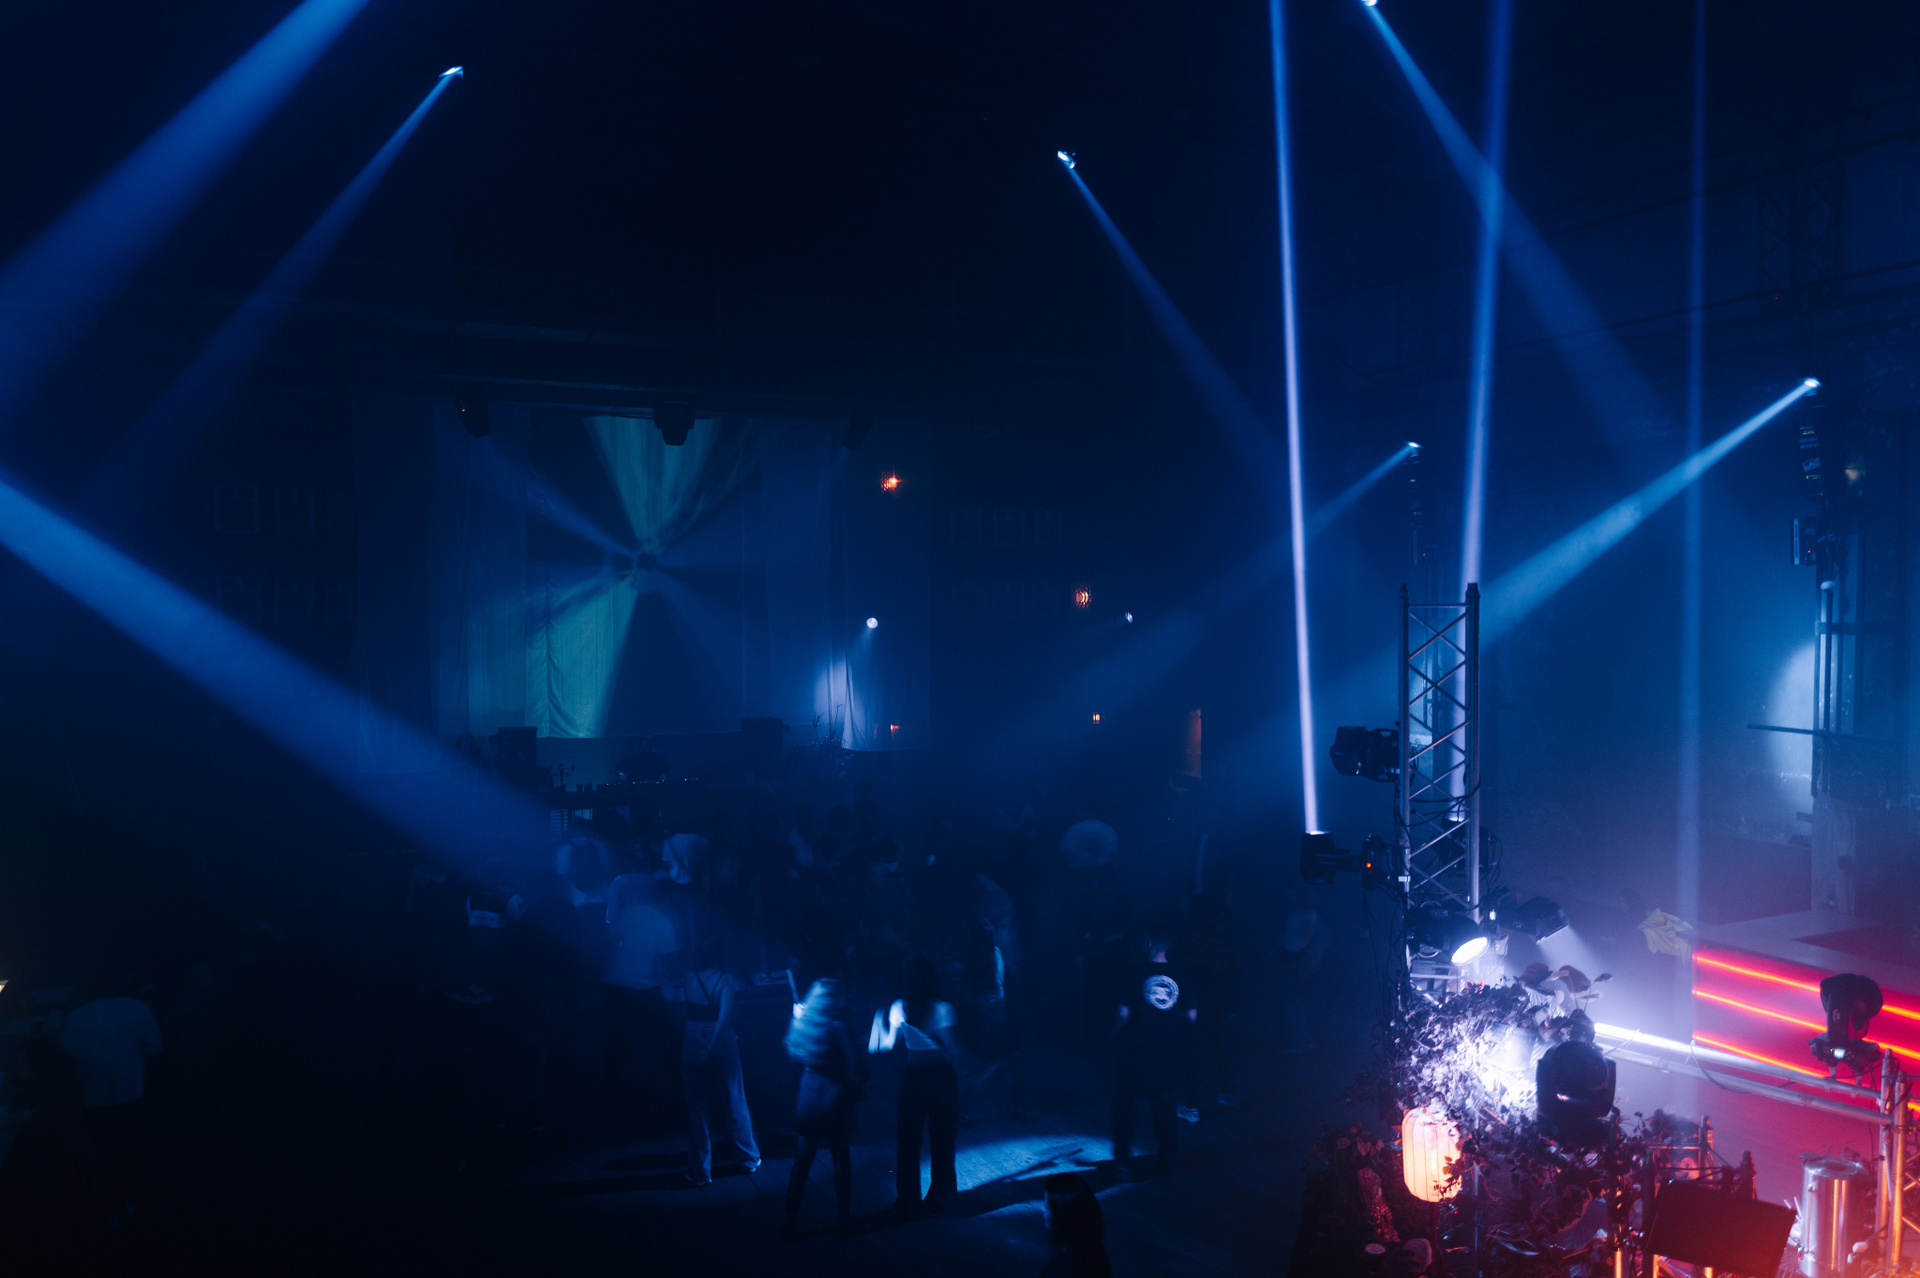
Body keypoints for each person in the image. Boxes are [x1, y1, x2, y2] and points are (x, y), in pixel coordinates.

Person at [59, 974, 162, 1221]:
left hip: (95, 1098)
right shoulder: (138, 1008)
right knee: (135, 1151)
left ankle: (112, 1208)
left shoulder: (78, 1016)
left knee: (105, 1155)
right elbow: (155, 1048)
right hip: (132, 1093)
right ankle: (142, 1208)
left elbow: (67, 1052)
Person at [870, 954, 959, 1219]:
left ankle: (907, 1202)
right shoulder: (943, 1009)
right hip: (941, 1078)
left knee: (908, 1141)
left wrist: (877, 1023)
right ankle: (940, 1198)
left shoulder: (900, 1007)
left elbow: (887, 1044)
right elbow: (952, 1049)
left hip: (914, 1078)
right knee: (942, 1140)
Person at [783, 979, 867, 1240]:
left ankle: (789, 1221)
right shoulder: (839, 1025)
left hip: (808, 1095)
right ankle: (844, 1220)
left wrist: (796, 1019)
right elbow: (856, 1066)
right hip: (835, 1098)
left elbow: (793, 1055)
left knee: (802, 1161)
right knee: (840, 1160)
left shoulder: (804, 1021)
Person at [1111, 926, 1195, 1179]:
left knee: (1126, 1105)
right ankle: (1169, 1161)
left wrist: (1114, 1036)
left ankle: (1122, 1163)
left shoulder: (1134, 973)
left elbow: (1123, 1014)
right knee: (1165, 1106)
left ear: (1148, 942)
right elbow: (1192, 1015)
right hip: (1167, 1051)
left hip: (1136, 1051)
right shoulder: (1180, 975)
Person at [680, 925, 760, 1185]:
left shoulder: (689, 975)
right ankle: (747, 1159)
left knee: (697, 1107)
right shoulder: (725, 979)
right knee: (734, 1098)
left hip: (692, 1035)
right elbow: (723, 1018)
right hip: (719, 1038)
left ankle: (699, 1172)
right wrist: (711, 1049)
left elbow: (678, 1000)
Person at [603, 870, 682, 1122]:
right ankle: (684, 1093)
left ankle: (607, 1096)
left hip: (616, 984)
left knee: (617, 1042)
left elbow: (609, 941)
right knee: (666, 1040)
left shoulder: (628, 913)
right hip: (645, 988)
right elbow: (667, 962)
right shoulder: (663, 921)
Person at [1039, 1173, 1112, 1278]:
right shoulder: (1093, 1249)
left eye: (1047, 1208)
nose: (1043, 1211)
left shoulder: (1067, 1266)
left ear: (1062, 1217)